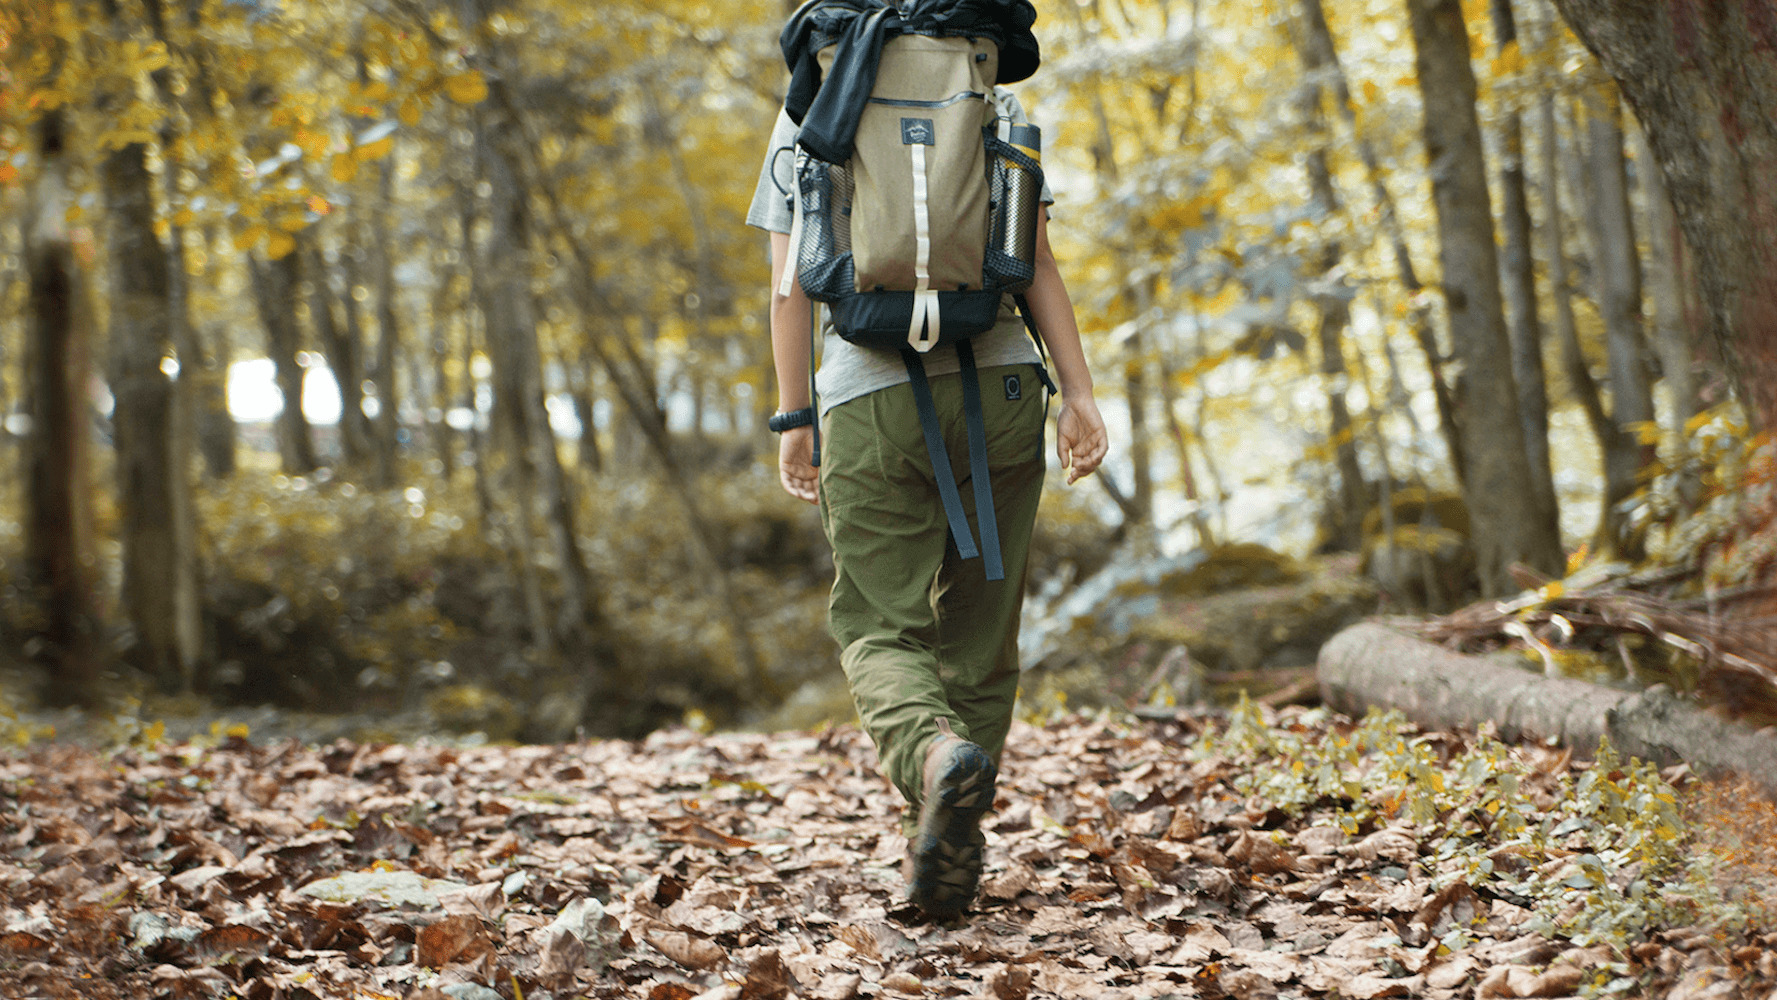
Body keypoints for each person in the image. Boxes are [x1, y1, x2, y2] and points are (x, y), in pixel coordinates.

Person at [748, 25, 1107, 921]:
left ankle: (933, 760)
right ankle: (949, 838)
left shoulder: (811, 108)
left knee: (879, 625)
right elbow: (1037, 266)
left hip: (869, 402)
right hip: (1002, 386)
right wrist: (1080, 395)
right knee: (982, 638)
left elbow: (788, 289)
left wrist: (794, 415)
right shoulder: (990, 94)